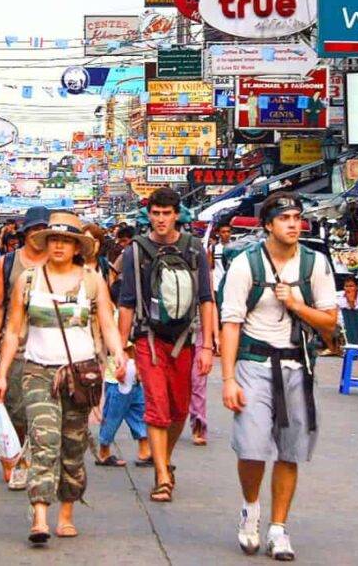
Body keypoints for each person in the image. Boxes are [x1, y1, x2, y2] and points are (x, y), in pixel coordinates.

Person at [0, 211, 127, 545]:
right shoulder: (28, 280)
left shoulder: (92, 280)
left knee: (72, 445)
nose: (59, 246)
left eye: (66, 241)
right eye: (54, 240)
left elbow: (108, 324)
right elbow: (12, 331)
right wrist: (3, 373)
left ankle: (67, 511)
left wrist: (119, 355)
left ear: (77, 247)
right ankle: (39, 514)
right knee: (43, 440)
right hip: (37, 371)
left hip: (81, 375)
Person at [220, 192, 338, 560]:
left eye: (297, 218)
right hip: (254, 363)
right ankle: (251, 509)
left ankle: (279, 528)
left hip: (297, 366)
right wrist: (228, 379)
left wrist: (296, 304)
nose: (293, 224)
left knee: (290, 451)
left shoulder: (315, 264)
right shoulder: (245, 265)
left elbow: (331, 322)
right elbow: (231, 324)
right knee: (253, 446)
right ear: (268, 225)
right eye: (285, 218)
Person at [118, 188, 216, 503]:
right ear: (149, 215)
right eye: (155, 213)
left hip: (186, 340)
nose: (161, 219)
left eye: (166, 213)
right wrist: (119, 350)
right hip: (149, 339)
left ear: (177, 215)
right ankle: (162, 474)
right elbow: (127, 303)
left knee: (179, 409)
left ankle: (165, 457)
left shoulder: (195, 249)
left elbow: (206, 299)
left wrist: (207, 346)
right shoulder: (136, 251)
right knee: (157, 406)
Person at [0, 206, 50, 490]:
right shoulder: (7, 263)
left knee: (44, 413)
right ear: (24, 233)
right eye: (33, 230)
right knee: (17, 412)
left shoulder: (59, 262)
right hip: (16, 348)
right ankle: (19, 459)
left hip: (51, 348)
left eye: (43, 230)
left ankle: (37, 463)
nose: (38, 236)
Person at [84, 225, 150, 467]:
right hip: (115, 369)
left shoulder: (106, 269)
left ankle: (145, 449)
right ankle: (104, 447)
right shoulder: (84, 274)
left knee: (137, 407)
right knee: (114, 412)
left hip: (127, 367)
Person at [323, 277, 358, 356]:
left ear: (356, 287)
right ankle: (332, 348)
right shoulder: (338, 295)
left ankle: (342, 348)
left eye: (351, 286)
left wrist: (351, 302)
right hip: (337, 323)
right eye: (346, 286)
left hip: (353, 325)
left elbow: (357, 317)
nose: (348, 289)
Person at [211, 222, 233, 289]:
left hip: (232, 284)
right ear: (218, 234)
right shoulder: (213, 248)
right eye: (223, 232)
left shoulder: (236, 248)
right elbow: (210, 268)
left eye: (228, 231)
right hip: (217, 284)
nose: (226, 234)